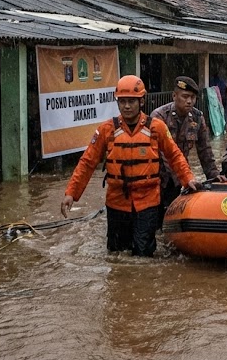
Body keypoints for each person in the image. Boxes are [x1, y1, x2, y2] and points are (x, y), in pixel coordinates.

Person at [60, 75, 199, 256]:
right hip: (116, 203)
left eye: (131, 101)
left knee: (143, 254)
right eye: (122, 101)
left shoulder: (156, 127)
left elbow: (174, 156)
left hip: (147, 202)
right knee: (117, 254)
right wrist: (71, 193)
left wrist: (188, 179)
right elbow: (87, 162)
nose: (126, 106)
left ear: (141, 101)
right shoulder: (106, 130)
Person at [150, 76, 224, 216]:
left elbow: (205, 150)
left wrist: (214, 175)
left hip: (181, 171)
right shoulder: (159, 117)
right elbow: (162, 154)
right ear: (174, 95)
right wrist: (183, 179)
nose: (189, 101)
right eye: (185, 96)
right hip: (158, 175)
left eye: (193, 97)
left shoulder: (197, 117)